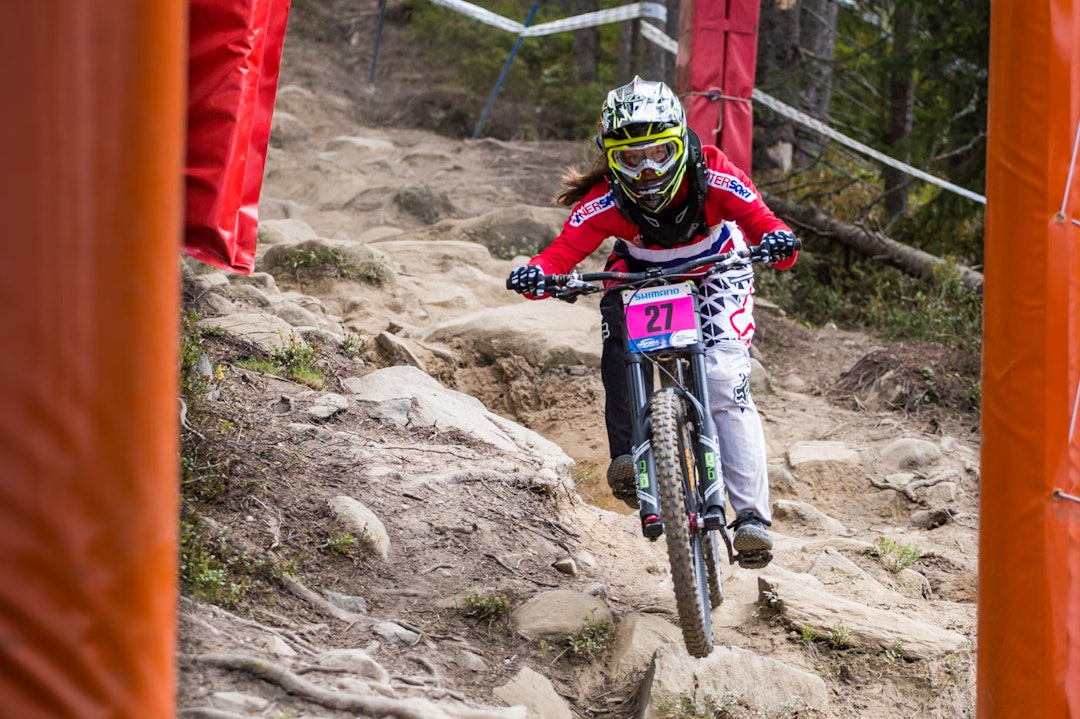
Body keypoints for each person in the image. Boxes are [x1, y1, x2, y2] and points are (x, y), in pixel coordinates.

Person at [506, 77, 798, 569]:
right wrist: (537, 274)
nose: (647, 171)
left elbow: (763, 222)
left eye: (659, 154)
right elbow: (562, 252)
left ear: (681, 143)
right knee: (617, 345)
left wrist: (778, 241)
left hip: (716, 268)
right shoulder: (605, 199)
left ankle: (751, 518)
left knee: (725, 381)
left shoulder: (713, 175)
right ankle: (627, 455)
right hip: (641, 272)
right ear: (611, 160)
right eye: (631, 159)